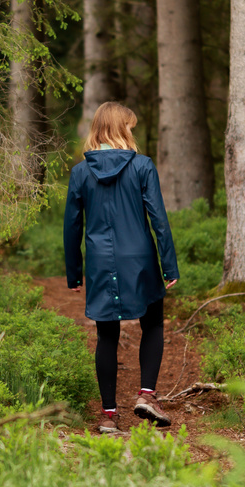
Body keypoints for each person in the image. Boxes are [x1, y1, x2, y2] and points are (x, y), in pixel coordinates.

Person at [63, 101, 179, 434]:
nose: (132, 131)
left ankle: (109, 416)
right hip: (140, 258)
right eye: (129, 125)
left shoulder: (80, 172)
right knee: (152, 321)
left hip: (100, 261)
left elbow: (72, 226)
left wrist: (74, 272)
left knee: (106, 334)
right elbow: (158, 218)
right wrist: (169, 265)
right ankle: (146, 394)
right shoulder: (142, 166)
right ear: (119, 128)